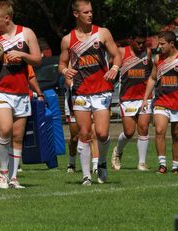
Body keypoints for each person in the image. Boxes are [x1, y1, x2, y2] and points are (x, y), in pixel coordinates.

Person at [0, 1, 41, 189]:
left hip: (21, 92)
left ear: (7, 18)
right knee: (4, 130)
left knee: (17, 137)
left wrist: (22, 55)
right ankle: (3, 174)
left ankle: (13, 179)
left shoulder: (26, 33)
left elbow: (37, 59)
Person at [59, 0, 122, 185]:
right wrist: (65, 71)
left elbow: (116, 55)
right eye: (86, 12)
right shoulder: (67, 40)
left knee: (102, 134)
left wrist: (115, 68)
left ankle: (101, 162)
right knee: (84, 133)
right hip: (80, 91)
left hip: (102, 90)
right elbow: (62, 63)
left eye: (91, 11)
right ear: (76, 14)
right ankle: (86, 175)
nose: (90, 14)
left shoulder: (102, 33)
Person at [0, 64, 44, 178]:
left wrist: (39, 93)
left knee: (8, 131)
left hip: (9, 97)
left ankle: (9, 169)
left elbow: (30, 74)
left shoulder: (17, 51)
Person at [141, 31, 178, 174]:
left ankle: (176, 166)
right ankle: (162, 165)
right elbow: (153, 78)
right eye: (159, 43)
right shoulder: (157, 58)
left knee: (177, 135)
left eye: (162, 44)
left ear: (172, 44)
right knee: (159, 131)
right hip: (161, 100)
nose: (159, 47)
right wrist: (145, 98)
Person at [111, 33, 153, 171]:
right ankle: (117, 152)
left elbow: (152, 72)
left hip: (144, 97)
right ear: (132, 40)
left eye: (143, 43)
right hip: (127, 98)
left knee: (144, 128)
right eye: (138, 43)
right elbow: (111, 65)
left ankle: (141, 163)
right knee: (129, 132)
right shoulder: (122, 51)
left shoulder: (147, 52)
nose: (141, 46)